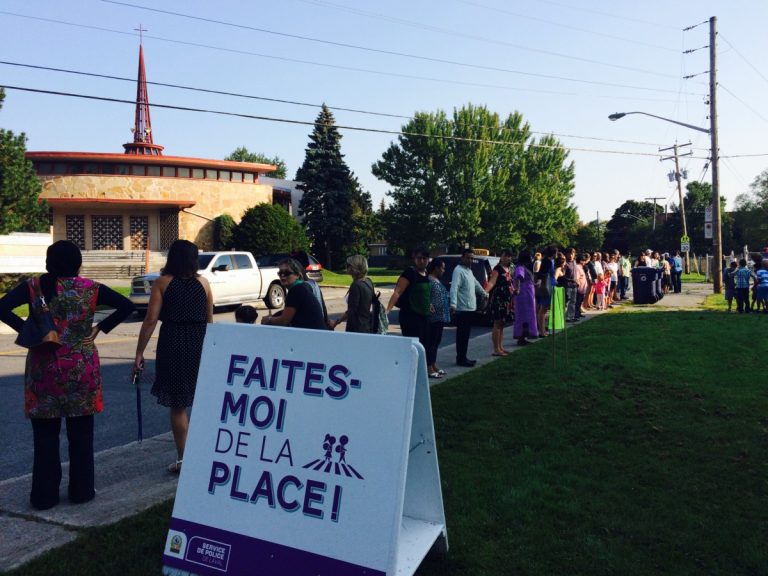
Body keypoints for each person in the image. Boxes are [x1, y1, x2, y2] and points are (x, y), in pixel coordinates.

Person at [0, 240, 134, 510]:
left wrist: (29, 330)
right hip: (81, 369)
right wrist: (100, 327)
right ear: (78, 263)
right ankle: (81, 491)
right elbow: (126, 306)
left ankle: (44, 496)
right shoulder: (90, 289)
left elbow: (1, 308)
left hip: (43, 369)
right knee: (81, 435)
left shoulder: (34, 287)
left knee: (45, 437)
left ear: (49, 262)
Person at [134, 240, 213, 474]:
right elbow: (210, 321)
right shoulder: (204, 283)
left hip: (174, 342)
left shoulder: (162, 283)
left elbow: (150, 320)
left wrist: (139, 352)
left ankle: (184, 458)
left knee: (178, 405)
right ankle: (203, 454)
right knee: (200, 401)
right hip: (199, 342)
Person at [386, 247, 431, 350]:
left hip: (424, 316)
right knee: (413, 347)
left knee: (424, 346)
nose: (422, 261)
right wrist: (388, 310)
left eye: (425, 258)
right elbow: (397, 292)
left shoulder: (427, 274)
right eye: (419, 258)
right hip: (410, 317)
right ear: (415, 259)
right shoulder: (410, 273)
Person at [262, 258, 327, 329]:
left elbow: (284, 321)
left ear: (297, 275)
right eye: (280, 273)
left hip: (310, 335)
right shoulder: (303, 286)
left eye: (287, 273)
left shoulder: (296, 290)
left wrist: (268, 320)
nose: (282, 276)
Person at [449, 248, 487, 366]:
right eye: (468, 257)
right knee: (462, 336)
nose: (470, 260)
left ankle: (463, 357)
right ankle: (461, 359)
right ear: (463, 258)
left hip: (470, 308)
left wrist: (484, 293)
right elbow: (454, 288)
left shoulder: (469, 271)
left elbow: (475, 284)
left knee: (465, 336)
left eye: (472, 258)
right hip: (462, 309)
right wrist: (453, 304)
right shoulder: (458, 270)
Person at [330, 255, 374, 333]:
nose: (347, 267)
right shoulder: (368, 282)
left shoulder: (356, 286)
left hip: (356, 328)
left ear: (354, 268)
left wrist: (337, 321)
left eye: (348, 265)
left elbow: (351, 311)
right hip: (367, 325)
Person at [485, 249, 514, 356]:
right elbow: (492, 282)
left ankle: (501, 347)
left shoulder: (508, 269)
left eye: (509, 256)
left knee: (502, 324)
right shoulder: (497, 269)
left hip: (506, 300)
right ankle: (496, 349)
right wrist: (485, 292)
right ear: (501, 257)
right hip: (498, 300)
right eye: (505, 256)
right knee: (497, 324)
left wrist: (513, 290)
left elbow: (509, 283)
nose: (507, 258)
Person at [426, 258, 450, 378]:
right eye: (442, 268)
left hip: (440, 316)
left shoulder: (437, 280)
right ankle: (429, 367)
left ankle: (433, 364)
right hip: (433, 317)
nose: (443, 270)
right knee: (431, 342)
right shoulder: (429, 280)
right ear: (436, 268)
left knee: (436, 341)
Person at [512, 250, 538, 345]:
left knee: (529, 314)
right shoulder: (520, 267)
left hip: (528, 293)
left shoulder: (523, 267)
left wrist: (535, 284)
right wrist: (517, 289)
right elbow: (518, 277)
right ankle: (521, 337)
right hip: (524, 295)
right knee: (524, 314)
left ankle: (524, 336)